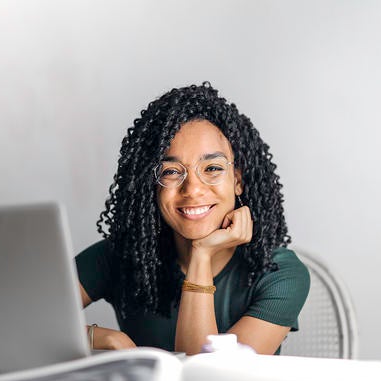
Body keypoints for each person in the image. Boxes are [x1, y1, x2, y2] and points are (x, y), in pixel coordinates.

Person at [76, 82, 310, 355]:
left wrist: (201, 253)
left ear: (238, 180)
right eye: (171, 172)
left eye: (212, 168)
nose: (193, 189)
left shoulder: (279, 274)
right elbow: (20, 321)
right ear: (151, 185)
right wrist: (100, 337)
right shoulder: (121, 255)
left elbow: (208, 380)